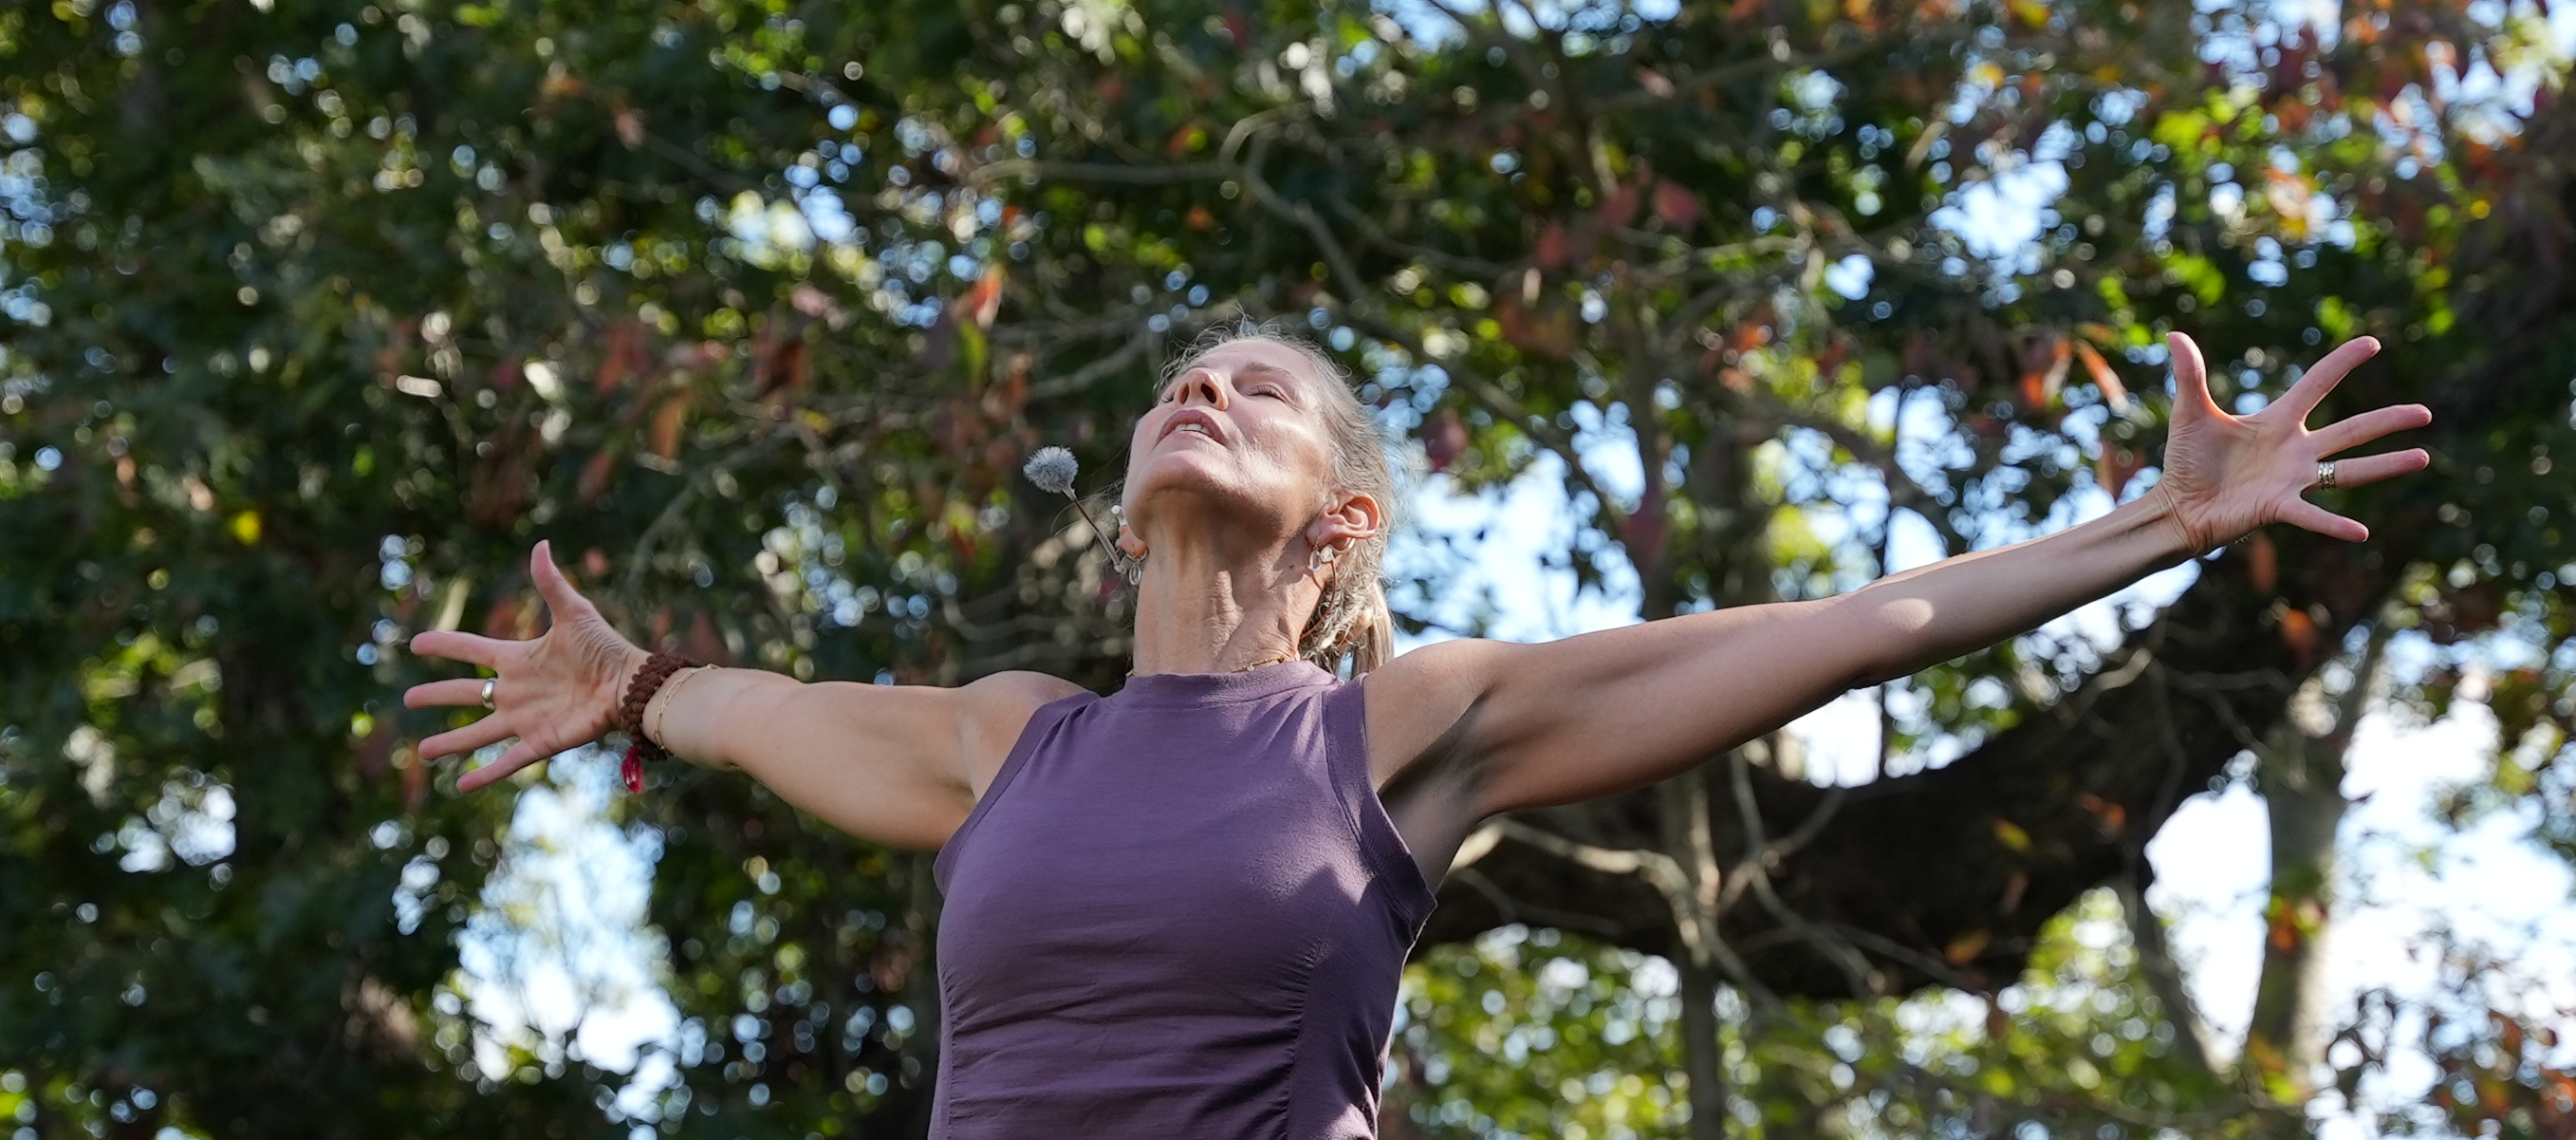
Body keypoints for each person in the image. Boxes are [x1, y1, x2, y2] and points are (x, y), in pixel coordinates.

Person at [406, 327, 2429, 1138]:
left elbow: (1844, 628)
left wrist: (2159, 521)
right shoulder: (1009, 740)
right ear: (1119, 499)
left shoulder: (1411, 726)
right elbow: (762, 716)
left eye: (1259, 392)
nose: (1205, 388)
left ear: (1344, 520)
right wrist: (637, 696)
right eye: (1184, 385)